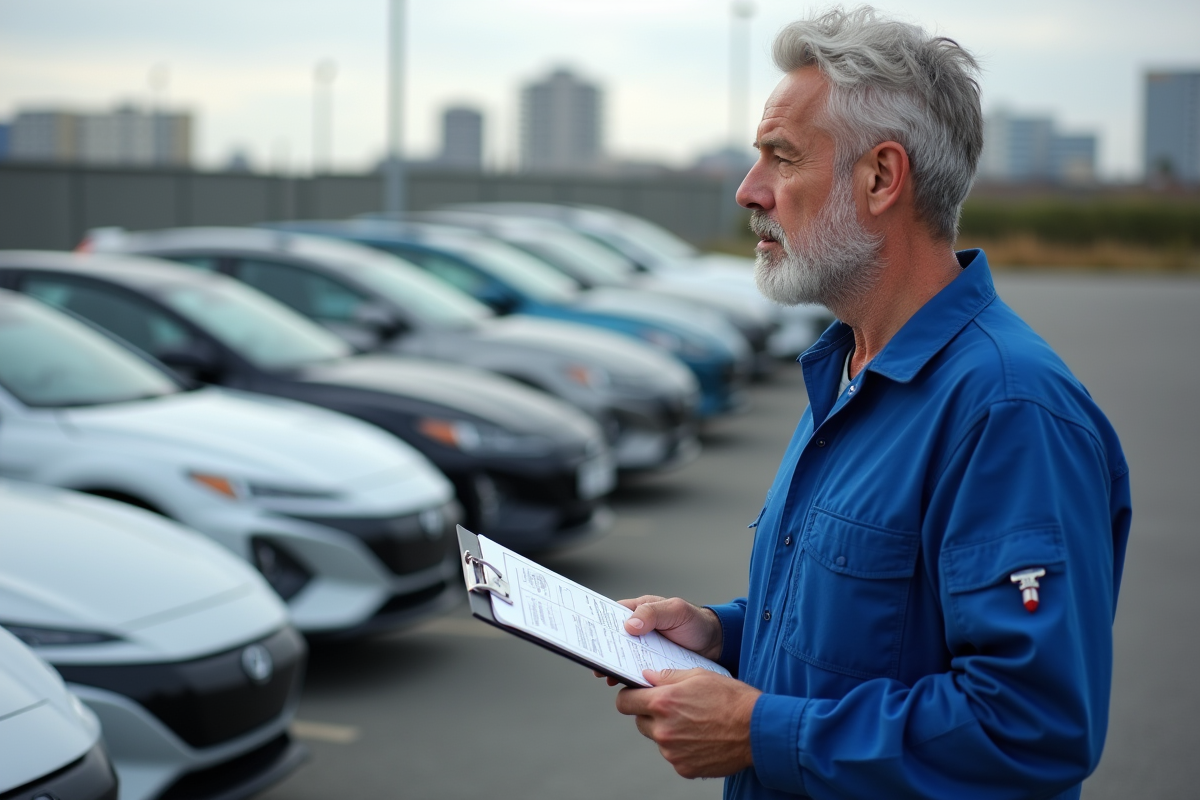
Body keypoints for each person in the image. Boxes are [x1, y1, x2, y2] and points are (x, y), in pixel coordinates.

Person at [603, 7, 1131, 799]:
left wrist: (759, 730)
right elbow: (876, 631)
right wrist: (721, 635)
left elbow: (1029, 725)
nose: (749, 191)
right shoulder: (851, 367)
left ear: (881, 178)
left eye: (782, 157)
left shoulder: (1008, 410)